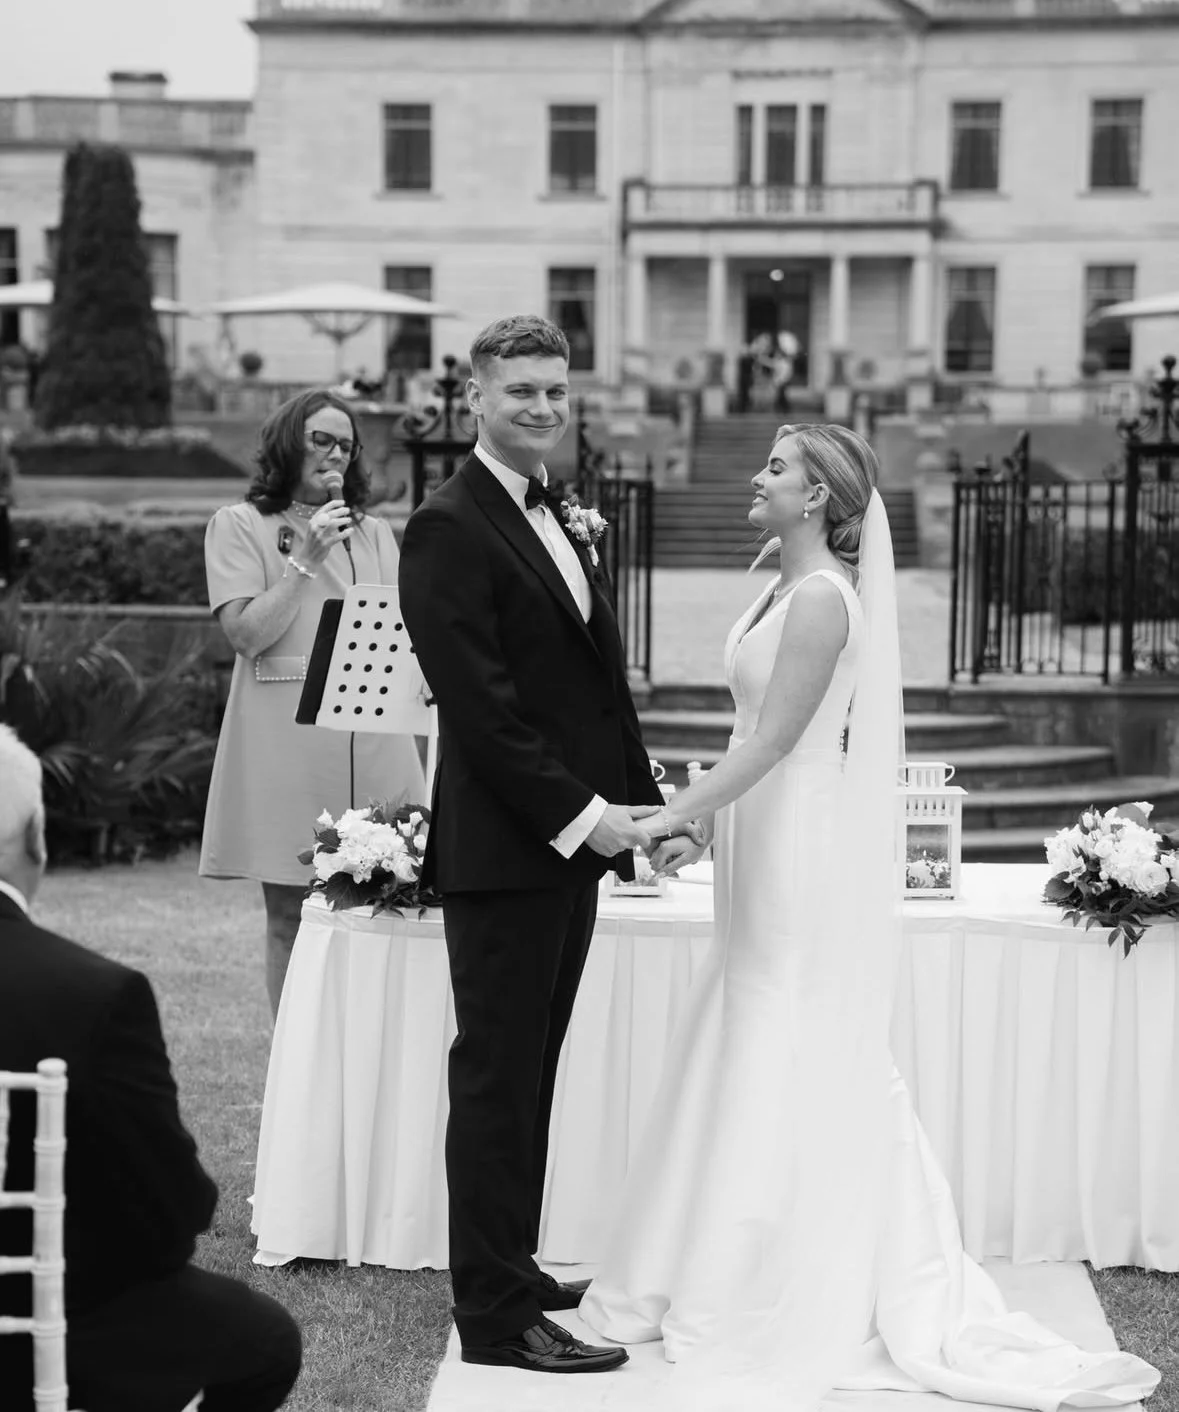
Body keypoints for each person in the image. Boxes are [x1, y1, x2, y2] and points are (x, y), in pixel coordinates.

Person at [579, 426, 1161, 1411]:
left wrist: (667, 813)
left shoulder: (820, 598)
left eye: (776, 468)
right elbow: (746, 731)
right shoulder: (777, 586)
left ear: (816, 497)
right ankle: (734, 1255)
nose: (757, 477)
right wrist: (707, 829)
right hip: (758, 834)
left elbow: (776, 742)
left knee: (790, 1030)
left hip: (798, 842)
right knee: (755, 1026)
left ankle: (794, 1270)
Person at [398, 313, 695, 1376]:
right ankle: (493, 1316)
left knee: (530, 1074)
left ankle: (511, 1268)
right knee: (495, 1081)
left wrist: (645, 812)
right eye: (519, 389)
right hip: (505, 849)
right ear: (476, 397)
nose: (540, 406)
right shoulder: (445, 525)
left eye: (555, 390)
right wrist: (583, 814)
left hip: (563, 849)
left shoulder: (555, 509)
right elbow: (482, 712)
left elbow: (592, 690)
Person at [0, 724, 303, 1412]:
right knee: (262, 1342)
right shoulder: (92, 995)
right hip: (42, 1324)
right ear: (38, 842)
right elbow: (172, 1209)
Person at [199, 389, 425, 1017]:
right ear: (287, 443)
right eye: (321, 440)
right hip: (284, 740)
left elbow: (404, 632)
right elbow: (247, 635)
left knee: (392, 902)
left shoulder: (374, 533)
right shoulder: (239, 525)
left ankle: (372, 1042)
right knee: (289, 911)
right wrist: (305, 559)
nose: (336, 454)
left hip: (373, 735)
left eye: (346, 445)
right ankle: (294, 1056)